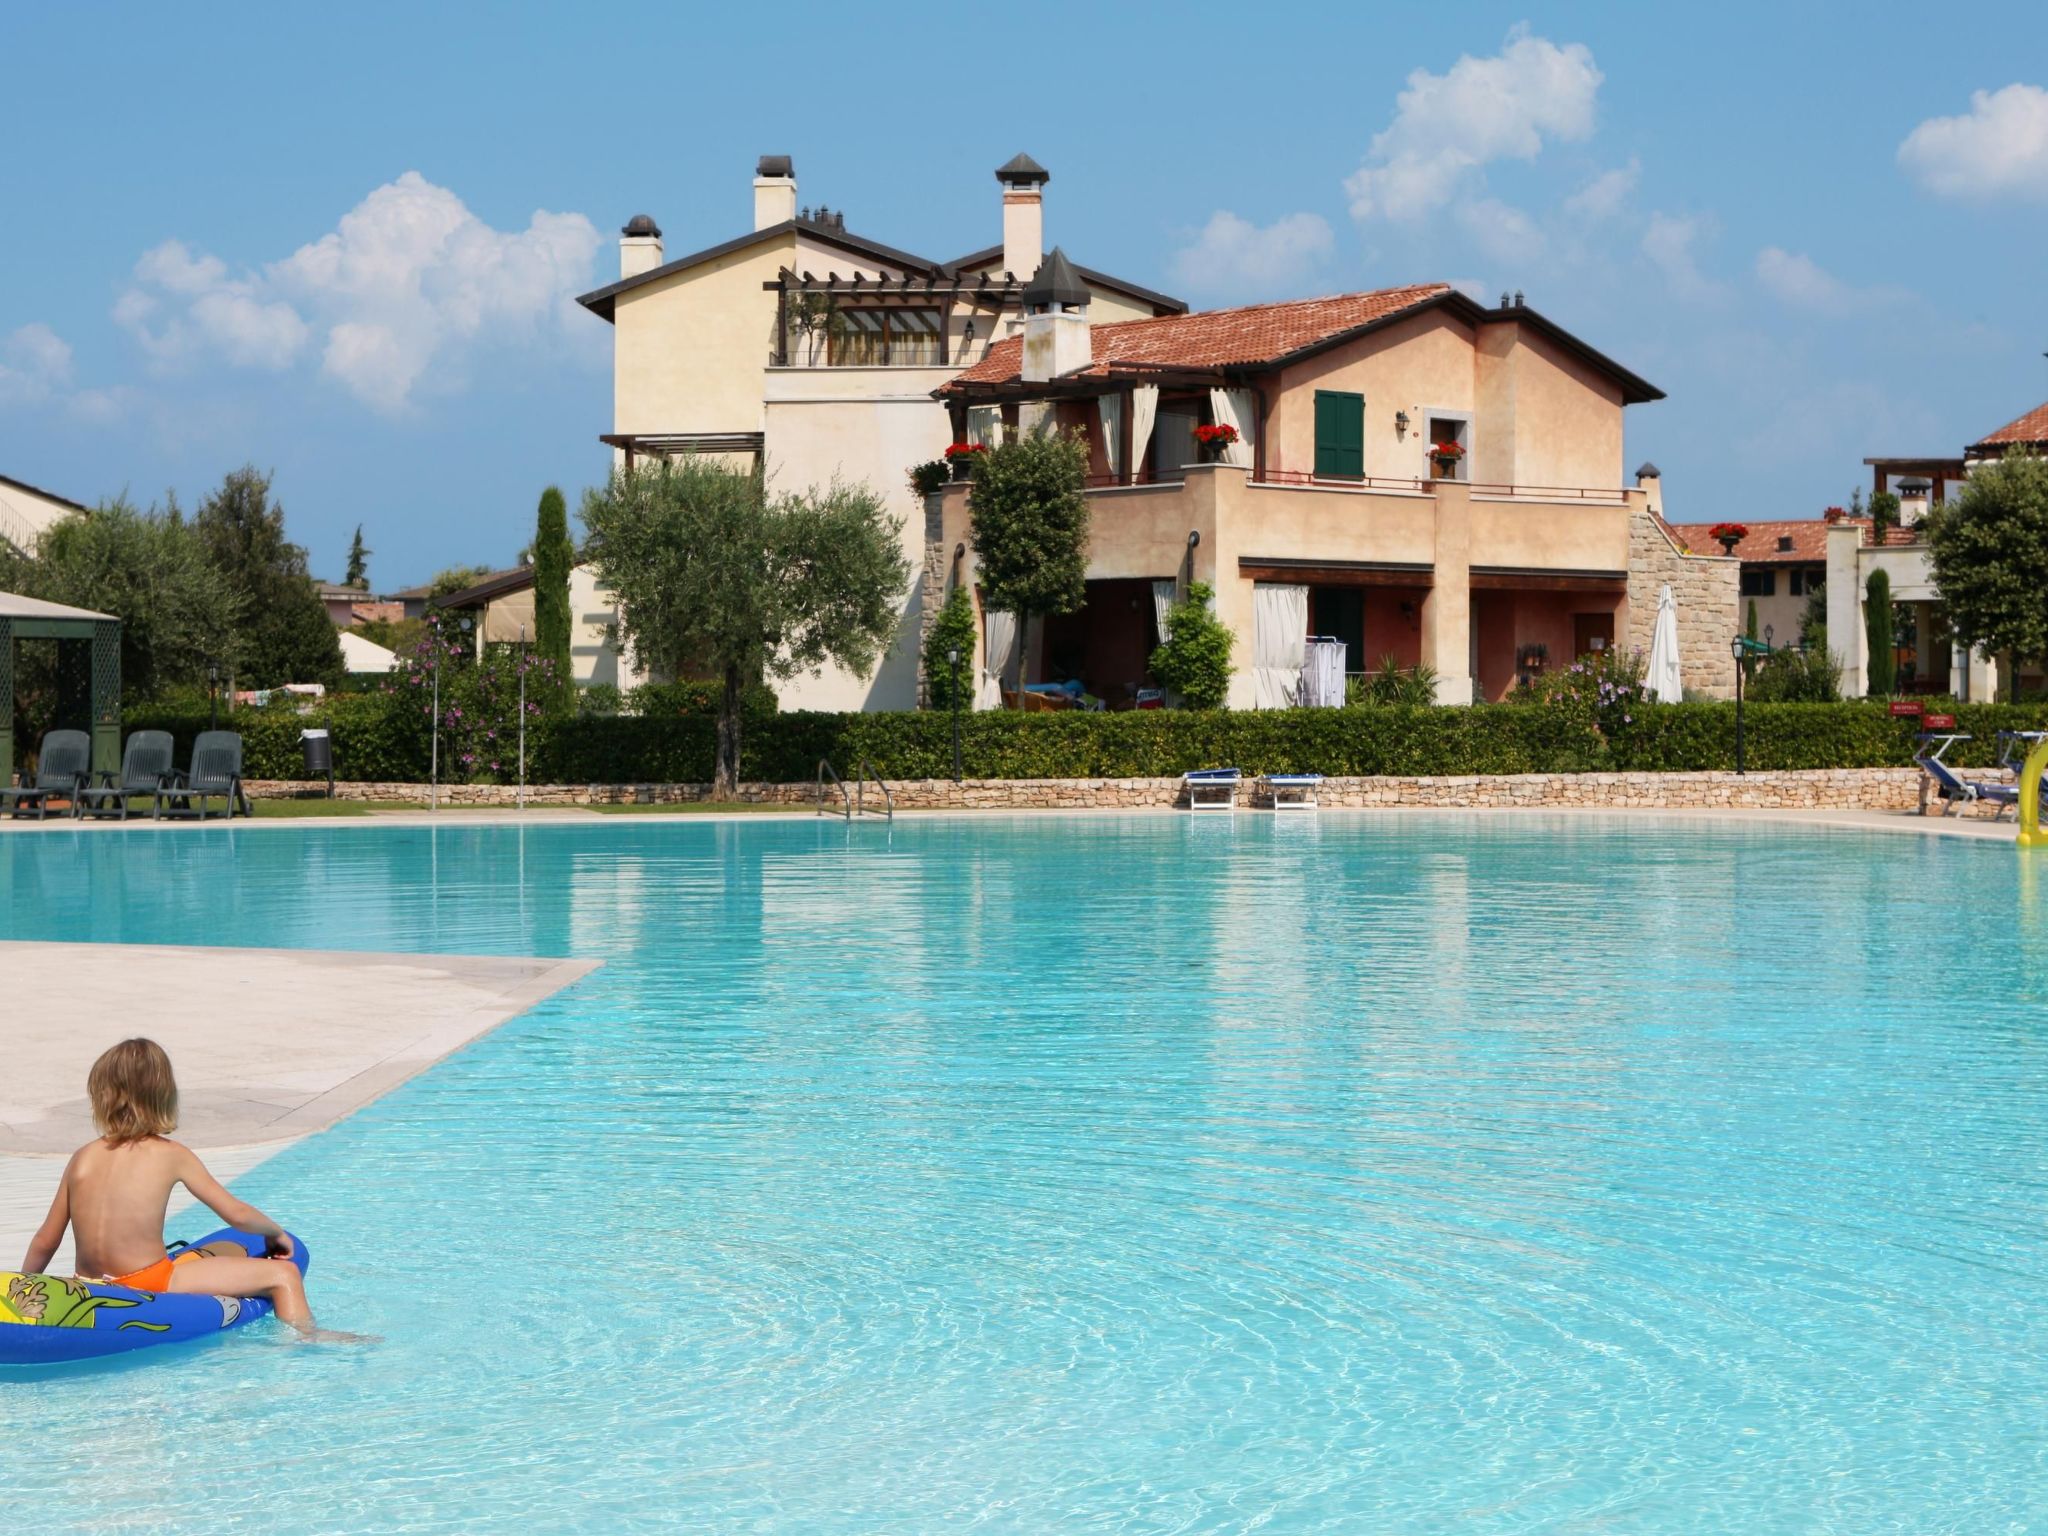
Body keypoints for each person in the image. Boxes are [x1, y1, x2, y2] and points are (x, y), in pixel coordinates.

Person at [18, 1038, 367, 1344]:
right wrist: (275, 1233)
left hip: (87, 1282)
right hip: (147, 1282)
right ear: (163, 1096)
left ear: (101, 1096)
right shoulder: (172, 1155)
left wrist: (24, 1287)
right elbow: (237, 1215)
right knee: (283, 1275)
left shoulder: (82, 1157)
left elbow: (47, 1239)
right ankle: (307, 1339)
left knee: (209, 1254)